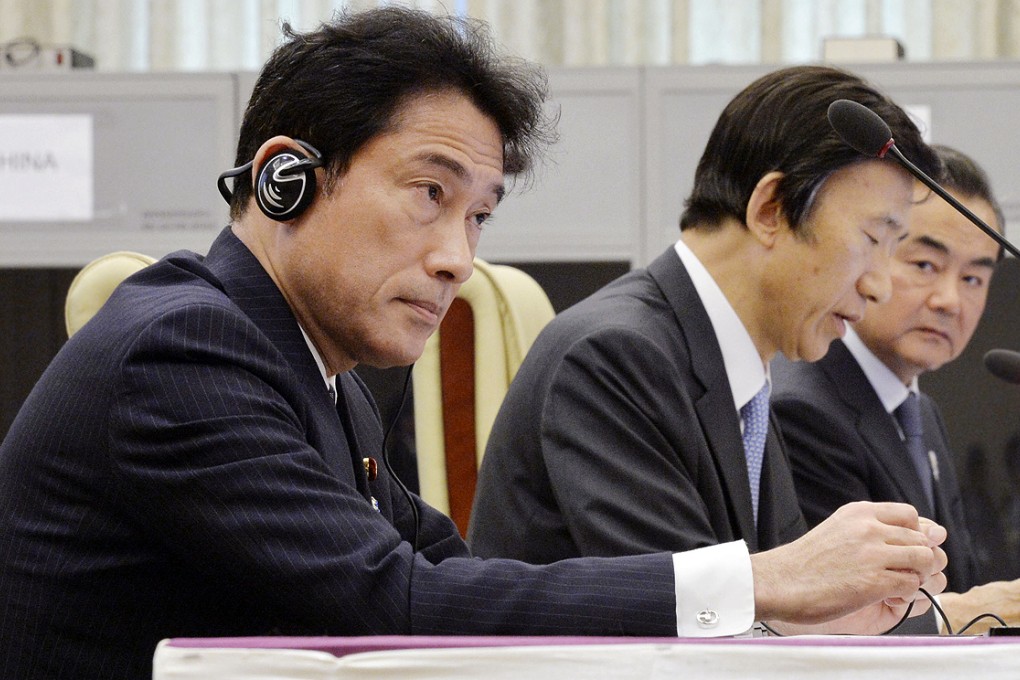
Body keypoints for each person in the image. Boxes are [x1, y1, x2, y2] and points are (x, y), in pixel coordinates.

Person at [0, 11, 944, 679]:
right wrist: (765, 580)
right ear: (286, 179)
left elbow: (450, 575)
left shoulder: (321, 374)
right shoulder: (184, 351)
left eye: (479, 215)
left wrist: (785, 601)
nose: (458, 257)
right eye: (429, 194)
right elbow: (394, 604)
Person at [469, 63, 948, 626]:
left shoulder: (740, 377)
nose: (880, 285)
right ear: (770, 209)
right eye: (872, 239)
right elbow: (681, 619)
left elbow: (756, 611)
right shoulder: (616, 356)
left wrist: (856, 614)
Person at [771, 144, 1020, 632]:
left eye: (973, 278)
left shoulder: (920, 412)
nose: (950, 300)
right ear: (871, 254)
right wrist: (977, 611)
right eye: (925, 265)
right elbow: (834, 623)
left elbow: (954, 580)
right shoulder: (804, 409)